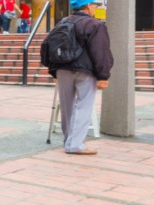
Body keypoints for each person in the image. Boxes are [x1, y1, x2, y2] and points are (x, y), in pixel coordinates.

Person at [44, 0, 112, 155]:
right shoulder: (95, 24)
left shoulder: (62, 22)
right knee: (83, 106)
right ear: (88, 6)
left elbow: (49, 45)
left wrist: (54, 70)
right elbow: (100, 51)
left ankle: (69, 141)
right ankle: (75, 145)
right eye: (94, 5)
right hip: (85, 71)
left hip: (62, 69)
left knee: (66, 106)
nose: (95, 8)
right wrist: (103, 75)